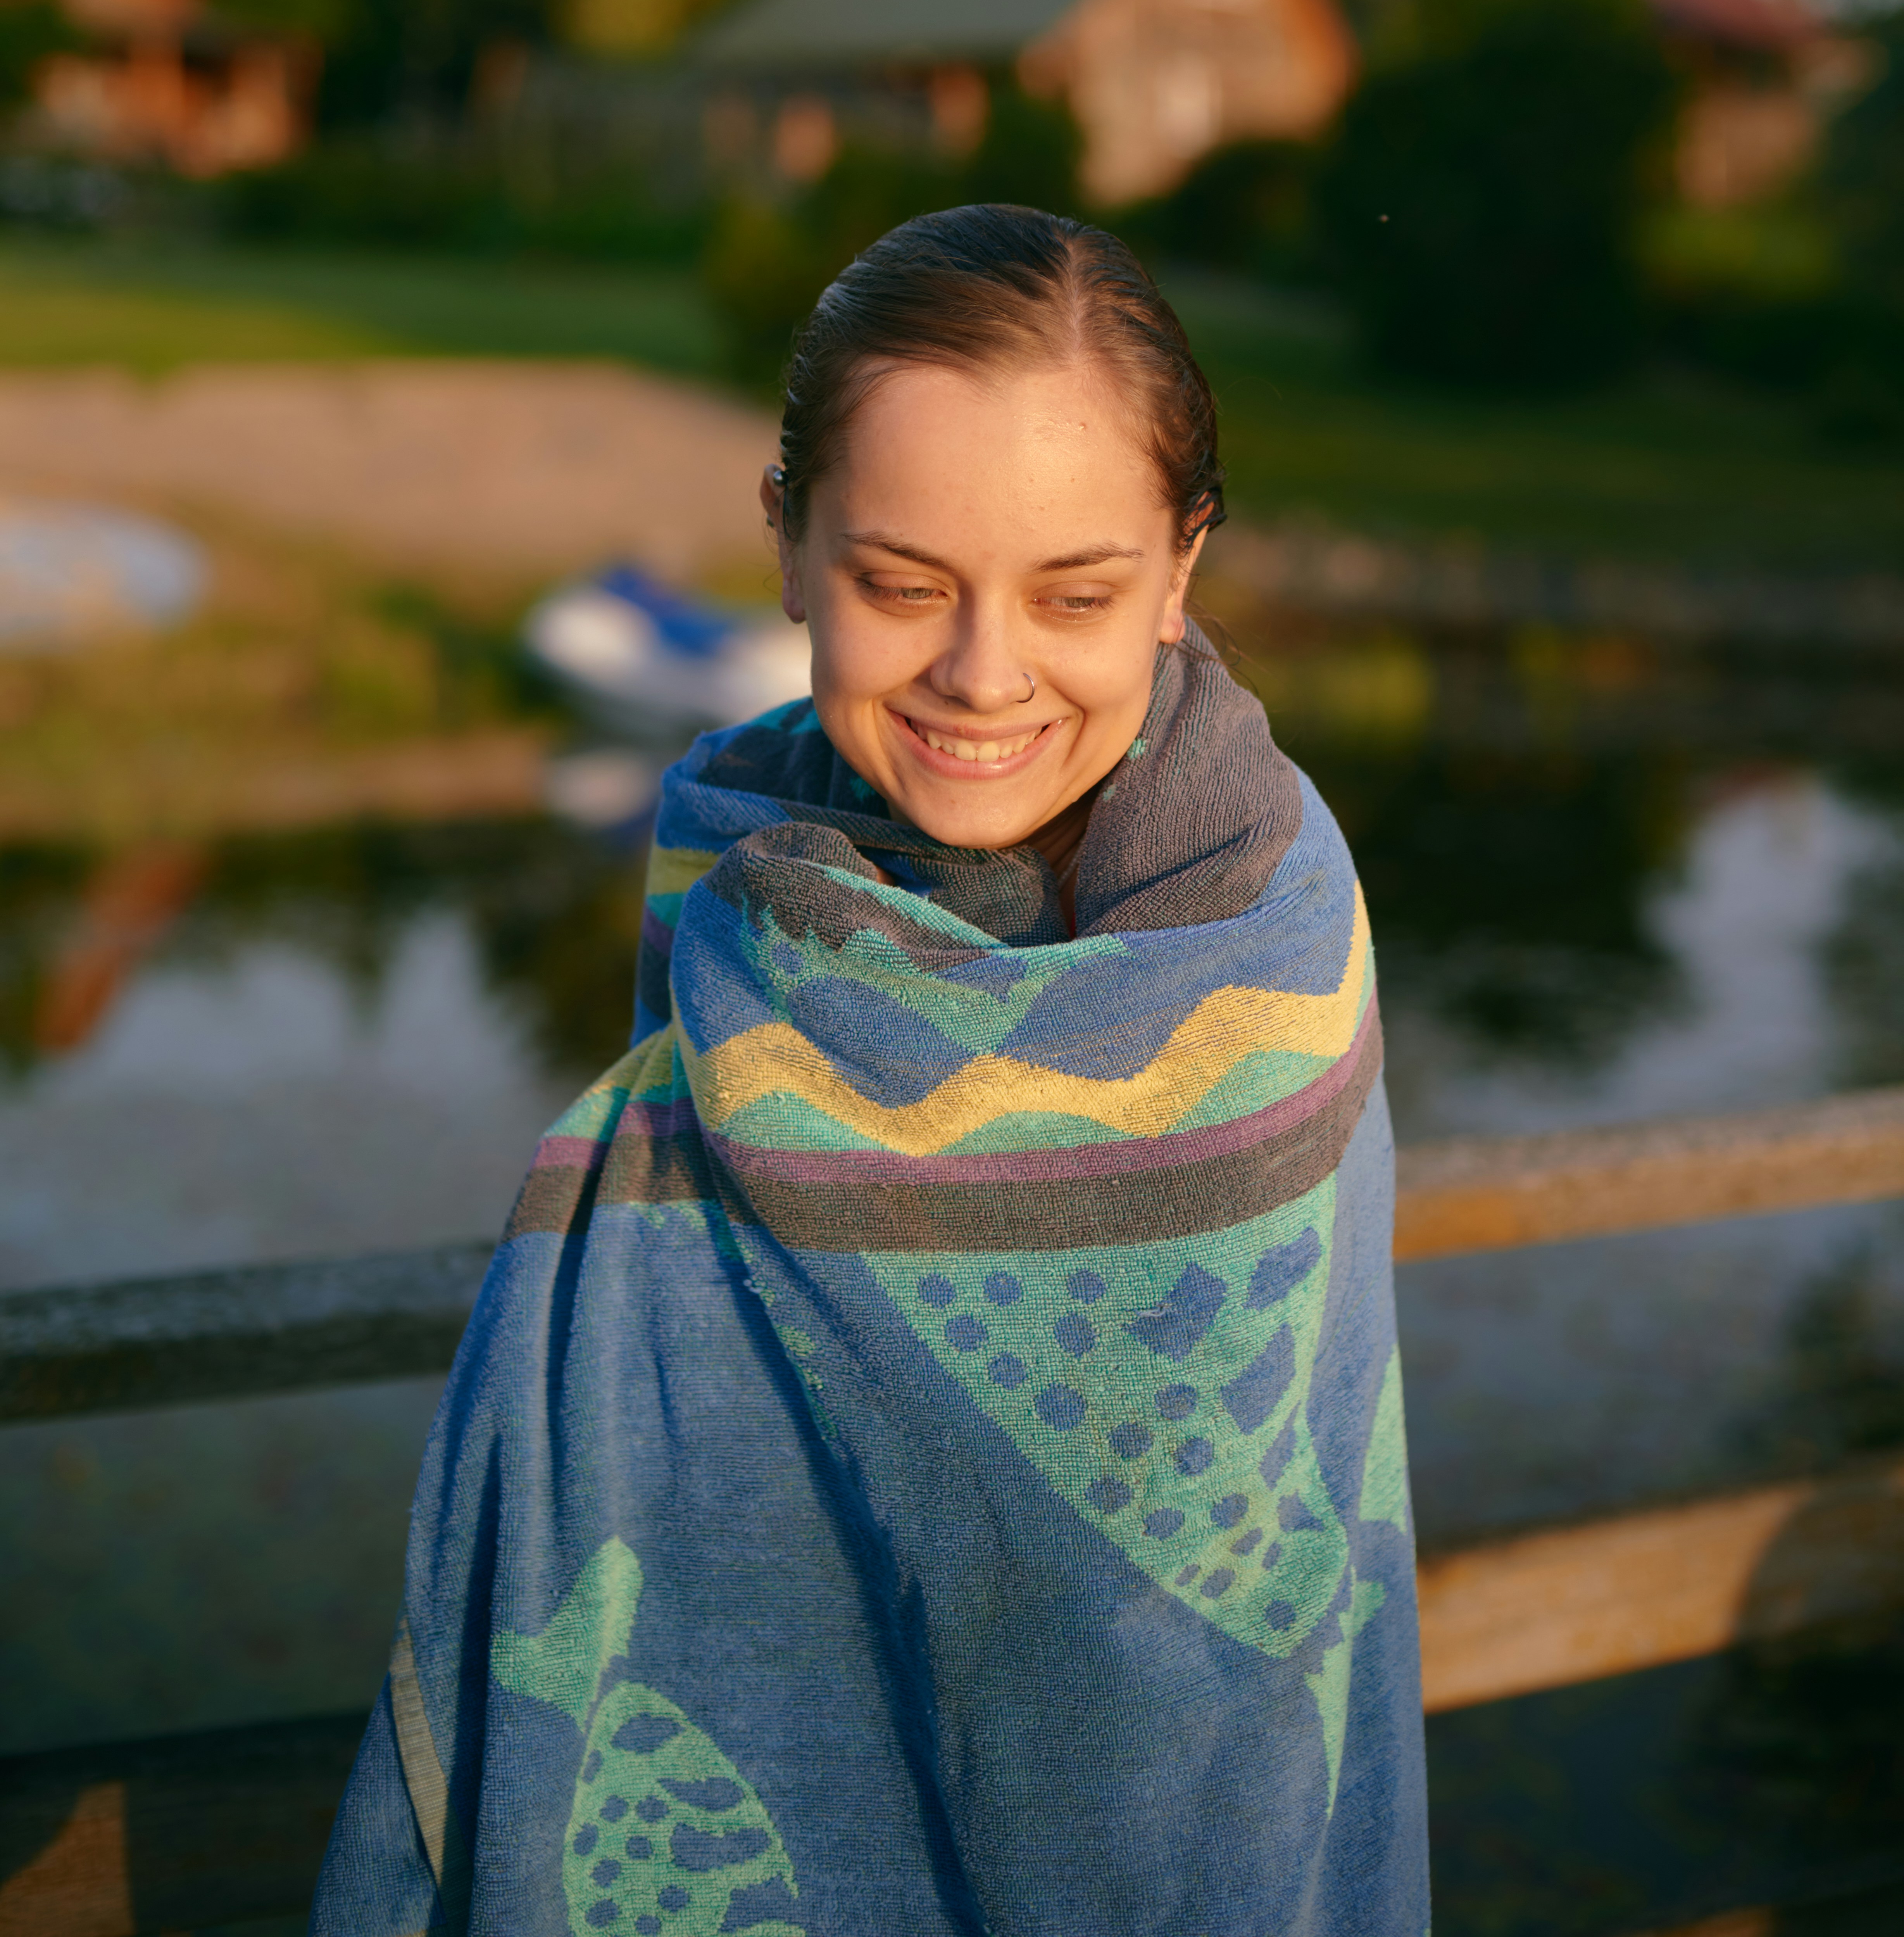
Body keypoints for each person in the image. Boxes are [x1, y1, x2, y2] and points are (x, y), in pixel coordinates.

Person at [312, 205, 1428, 1937]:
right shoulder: (743, 872)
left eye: (1078, 593)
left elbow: (1220, 1584)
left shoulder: (1264, 936)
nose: (983, 674)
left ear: (1183, 562)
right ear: (785, 539)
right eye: (901, 584)